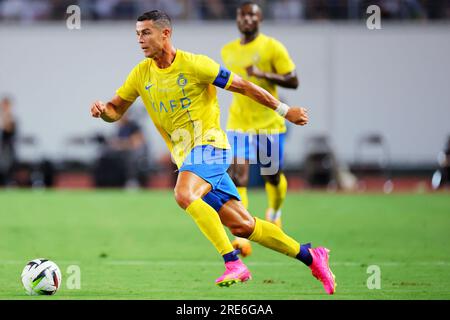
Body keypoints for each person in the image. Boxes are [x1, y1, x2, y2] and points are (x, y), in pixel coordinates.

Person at [90, 10, 335, 294]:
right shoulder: (140, 74)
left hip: (210, 148)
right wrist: (102, 112)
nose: (140, 40)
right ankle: (311, 257)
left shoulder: (196, 65)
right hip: (189, 159)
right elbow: (115, 110)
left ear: (165, 33)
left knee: (183, 194)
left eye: (145, 33)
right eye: (137, 34)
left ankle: (233, 263)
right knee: (243, 225)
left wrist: (285, 111)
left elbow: (243, 86)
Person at [221, 1, 299, 256]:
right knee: (237, 175)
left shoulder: (272, 47)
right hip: (239, 123)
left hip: (268, 124)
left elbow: (293, 80)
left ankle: (274, 212)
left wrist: (265, 74)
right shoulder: (227, 51)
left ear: (260, 19)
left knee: (272, 176)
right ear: (237, 19)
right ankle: (241, 235)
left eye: (251, 15)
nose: (246, 20)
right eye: (242, 16)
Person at [0, 96, 17, 186]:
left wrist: (5, 116)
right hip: (2, 147)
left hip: (7, 147)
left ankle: (7, 185)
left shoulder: (10, 118)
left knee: (6, 168)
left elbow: (9, 130)